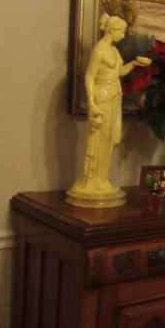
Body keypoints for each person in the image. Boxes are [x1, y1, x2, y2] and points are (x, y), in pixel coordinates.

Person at [67, 14, 151, 207]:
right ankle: (92, 180)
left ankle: (102, 179)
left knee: (109, 140)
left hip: (114, 96)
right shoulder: (100, 50)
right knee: (99, 139)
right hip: (102, 97)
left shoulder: (114, 50)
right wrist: (91, 103)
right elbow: (89, 76)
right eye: (121, 31)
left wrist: (135, 63)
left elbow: (119, 72)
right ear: (112, 30)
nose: (123, 35)